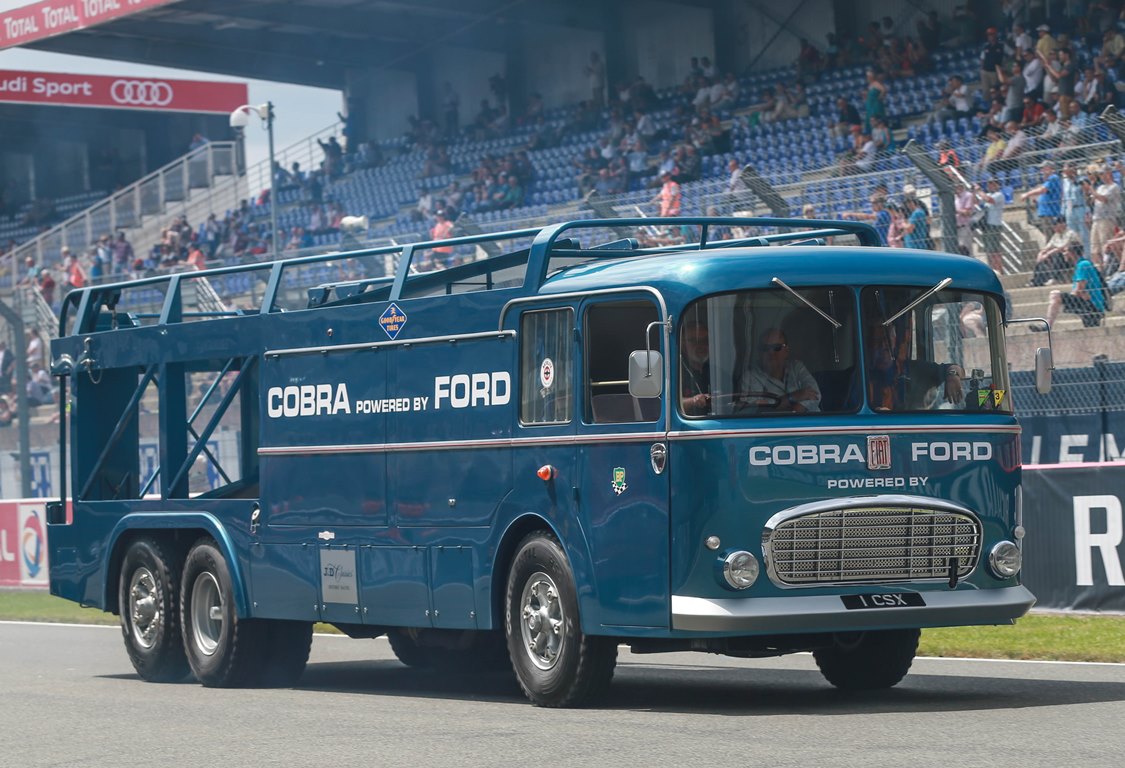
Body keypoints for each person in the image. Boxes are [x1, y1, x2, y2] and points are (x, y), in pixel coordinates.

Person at [741, 328, 820, 413]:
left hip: (812, 424)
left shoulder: (797, 367)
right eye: (765, 348)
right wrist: (793, 397)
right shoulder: (750, 377)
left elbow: (815, 394)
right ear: (759, 352)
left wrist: (795, 409)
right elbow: (759, 409)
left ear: (786, 351)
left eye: (777, 348)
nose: (771, 353)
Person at [1044, 242, 1107, 329]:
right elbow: (1081, 291)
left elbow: (1080, 288)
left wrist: (1070, 296)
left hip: (1091, 305)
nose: (1064, 254)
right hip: (1087, 302)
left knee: (1055, 295)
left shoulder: (1083, 265)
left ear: (1072, 253)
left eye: (1066, 251)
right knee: (1091, 329)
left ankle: (1047, 325)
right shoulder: (1081, 265)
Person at [680, 317, 711, 416]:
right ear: (683, 344)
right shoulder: (673, 372)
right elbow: (666, 404)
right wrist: (693, 401)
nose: (701, 345)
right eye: (694, 340)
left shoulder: (718, 373)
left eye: (705, 340)